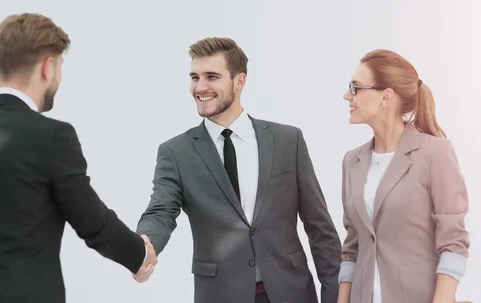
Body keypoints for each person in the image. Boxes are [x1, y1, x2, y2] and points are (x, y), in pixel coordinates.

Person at [0, 13, 156, 303]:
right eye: (59, 67)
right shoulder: (51, 137)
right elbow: (93, 224)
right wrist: (139, 255)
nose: (59, 78)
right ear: (47, 66)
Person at [135, 37, 342, 303]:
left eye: (211, 76)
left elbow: (319, 227)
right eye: (194, 77)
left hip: (291, 292)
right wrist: (144, 245)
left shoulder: (288, 141)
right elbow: (160, 211)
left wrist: (336, 293)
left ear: (239, 81)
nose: (200, 87)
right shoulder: (176, 153)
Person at [337, 49, 470, 303]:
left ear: (386, 97)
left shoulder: (435, 154)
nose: (347, 95)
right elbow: (351, 248)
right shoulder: (351, 161)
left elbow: (453, 243)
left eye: (355, 87)